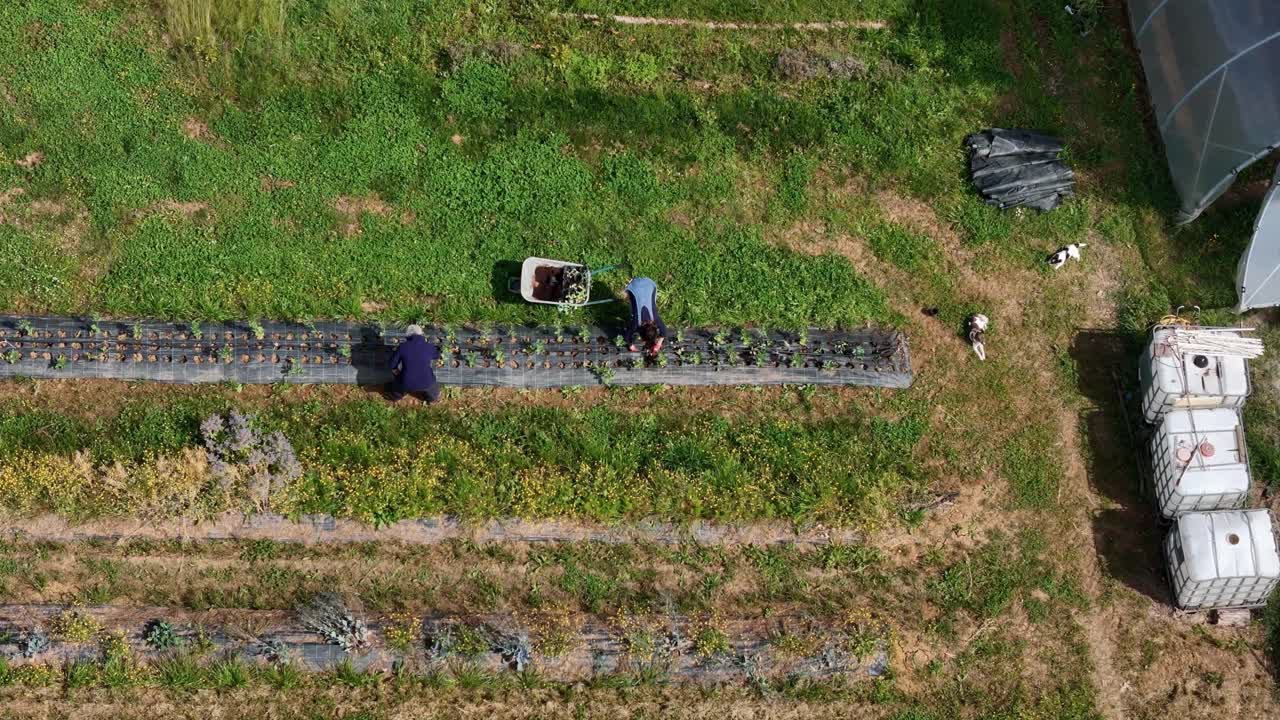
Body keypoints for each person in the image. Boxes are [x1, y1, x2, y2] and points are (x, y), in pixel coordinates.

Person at [387, 324, 441, 402]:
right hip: (426, 382)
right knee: (432, 387)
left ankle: (396, 396)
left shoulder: (402, 347)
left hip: (406, 383)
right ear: (421, 334)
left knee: (398, 384)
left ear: (407, 335)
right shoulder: (429, 347)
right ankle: (432, 398)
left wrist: (396, 370)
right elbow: (437, 355)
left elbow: (392, 364)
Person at [624, 277, 668, 355]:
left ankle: (636, 286)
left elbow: (664, 331)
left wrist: (658, 345)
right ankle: (631, 283)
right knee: (631, 305)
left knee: (647, 302)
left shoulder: (656, 319)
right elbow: (627, 337)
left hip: (650, 284)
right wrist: (631, 346)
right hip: (637, 286)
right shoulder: (636, 323)